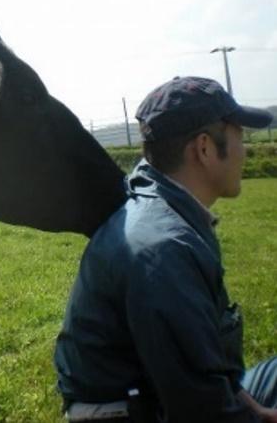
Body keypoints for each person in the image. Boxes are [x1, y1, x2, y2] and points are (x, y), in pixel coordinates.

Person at [54, 76, 277, 423]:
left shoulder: (160, 208)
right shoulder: (164, 250)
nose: (244, 150)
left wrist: (253, 407)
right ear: (204, 148)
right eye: (239, 137)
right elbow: (203, 412)